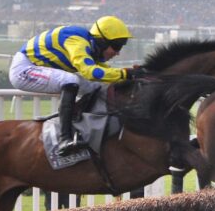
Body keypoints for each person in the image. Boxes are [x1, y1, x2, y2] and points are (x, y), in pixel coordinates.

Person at [10, 15, 138, 156]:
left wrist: (132, 75)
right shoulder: (77, 42)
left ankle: (83, 126)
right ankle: (64, 138)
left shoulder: (90, 45)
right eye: (116, 46)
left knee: (96, 87)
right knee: (70, 80)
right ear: (102, 41)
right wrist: (126, 73)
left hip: (39, 68)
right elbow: (91, 72)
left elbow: (105, 75)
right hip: (24, 69)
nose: (118, 52)